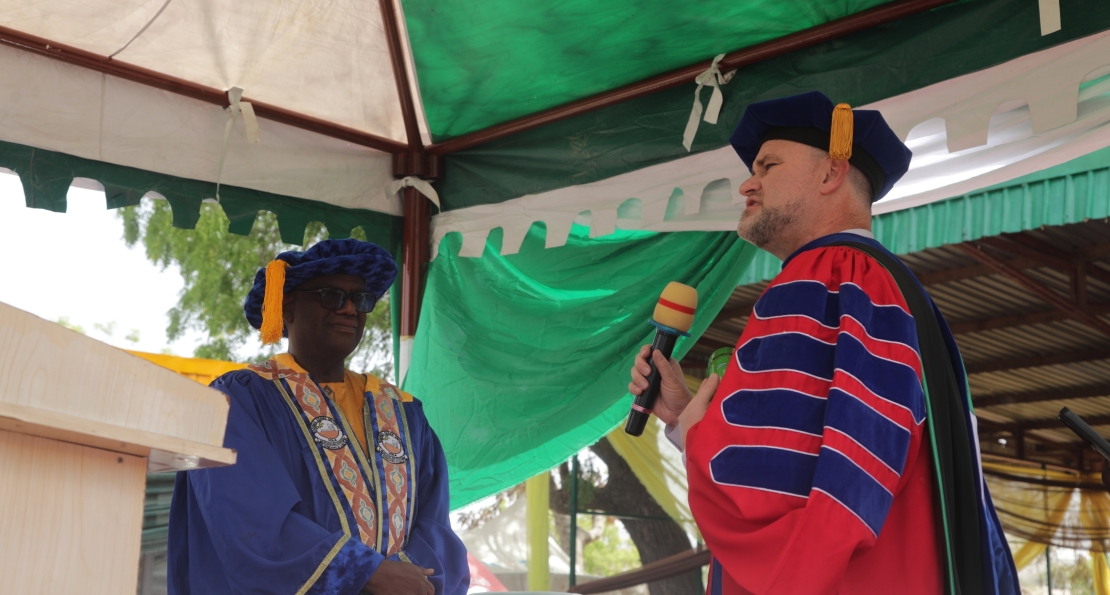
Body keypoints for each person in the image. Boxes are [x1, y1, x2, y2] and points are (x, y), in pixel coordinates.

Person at [629, 92, 1019, 595]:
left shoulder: (825, 274)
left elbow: (768, 486)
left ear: (831, 174)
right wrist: (685, 413)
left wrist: (697, 429)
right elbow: (832, 447)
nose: (748, 183)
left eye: (768, 165)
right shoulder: (891, 289)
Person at [168, 238, 469, 595]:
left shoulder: (404, 412)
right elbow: (246, 522)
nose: (349, 310)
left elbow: (435, 526)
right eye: (331, 296)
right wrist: (366, 574)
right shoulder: (239, 400)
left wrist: (406, 579)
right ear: (288, 306)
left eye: (360, 300)